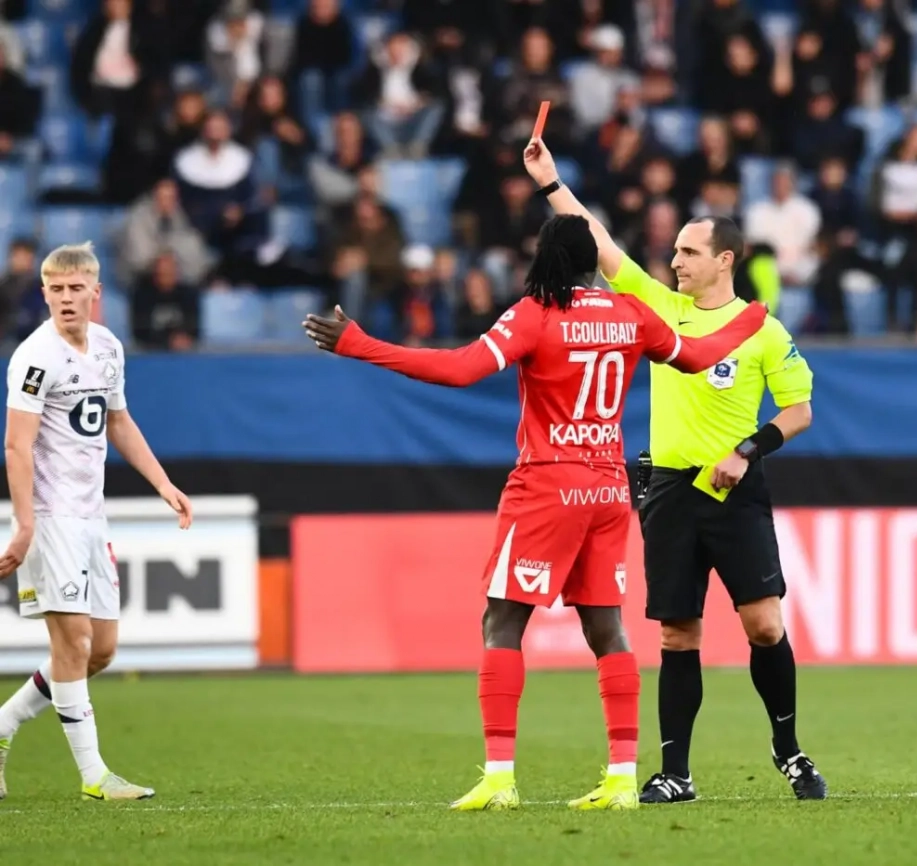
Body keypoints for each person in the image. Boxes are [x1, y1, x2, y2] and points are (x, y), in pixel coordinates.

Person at [303, 214, 769, 811]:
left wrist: (359, 344)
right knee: (608, 629)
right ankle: (624, 778)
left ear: (549, 257)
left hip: (548, 485)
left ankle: (500, 778)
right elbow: (703, 355)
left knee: (502, 623)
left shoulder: (536, 313)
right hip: (607, 487)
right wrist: (751, 317)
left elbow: (460, 368)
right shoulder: (630, 313)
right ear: (591, 262)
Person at [522, 137, 827, 804]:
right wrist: (550, 182)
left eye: (688, 252)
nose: (674, 260)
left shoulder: (763, 330)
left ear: (724, 259)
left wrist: (746, 452)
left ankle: (788, 750)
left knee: (764, 626)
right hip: (668, 491)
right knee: (676, 631)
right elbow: (598, 242)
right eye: (675, 251)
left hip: (737, 493)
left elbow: (800, 410)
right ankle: (676, 774)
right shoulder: (662, 306)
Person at [0, 242, 193, 802]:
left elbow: (119, 421)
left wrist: (163, 483)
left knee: (101, 650)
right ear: (44, 294)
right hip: (52, 517)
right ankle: (94, 777)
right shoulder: (35, 357)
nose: (65, 298)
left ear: (95, 292)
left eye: (75, 288)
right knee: (74, 643)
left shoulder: (107, 347)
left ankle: (4, 724)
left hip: (92, 516)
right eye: (55, 290)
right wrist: (25, 524)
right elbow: (17, 445)